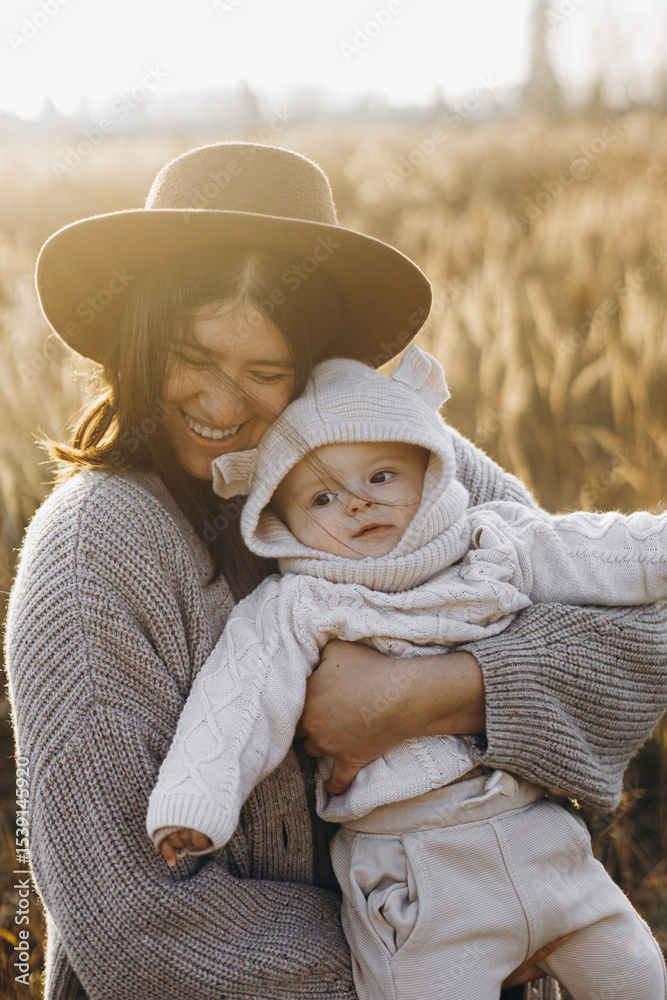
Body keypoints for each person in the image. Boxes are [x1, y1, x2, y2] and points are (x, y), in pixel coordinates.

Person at [5, 141, 667, 1000]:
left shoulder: (400, 455)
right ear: (136, 335)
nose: (218, 405)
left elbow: (639, 623)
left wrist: (443, 688)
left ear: (313, 363)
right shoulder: (95, 551)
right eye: (190, 355)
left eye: (265, 371)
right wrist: (438, 939)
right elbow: (137, 927)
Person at [147, 345, 667, 1000]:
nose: (359, 505)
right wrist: (195, 804)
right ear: (282, 522)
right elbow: (237, 699)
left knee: (636, 975)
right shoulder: (298, 604)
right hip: (418, 873)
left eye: (382, 477)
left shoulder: (490, 542)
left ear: (429, 467)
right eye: (323, 497)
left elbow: (604, 551)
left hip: (539, 838)